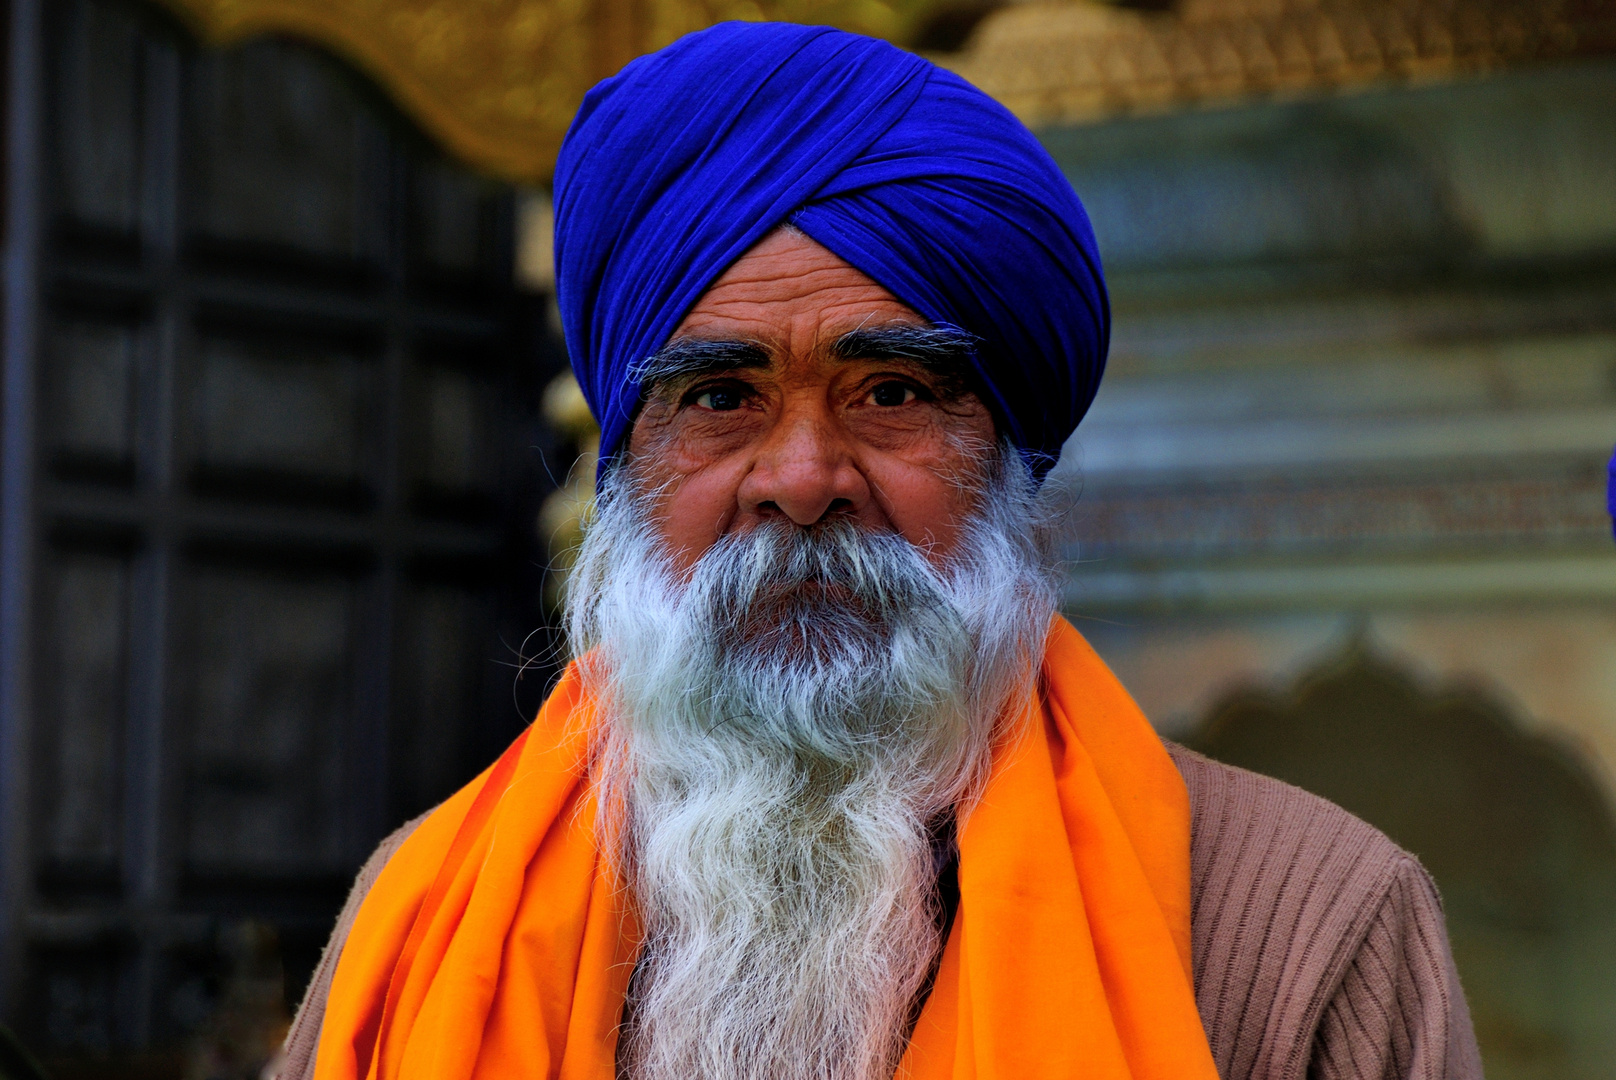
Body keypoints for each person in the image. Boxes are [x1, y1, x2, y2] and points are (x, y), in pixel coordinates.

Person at [277, 23, 1481, 1080]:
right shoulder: (426, 914)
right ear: (625, 462)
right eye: (717, 398)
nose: (803, 482)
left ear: (1007, 454)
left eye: (893, 391)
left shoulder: (1307, 925)